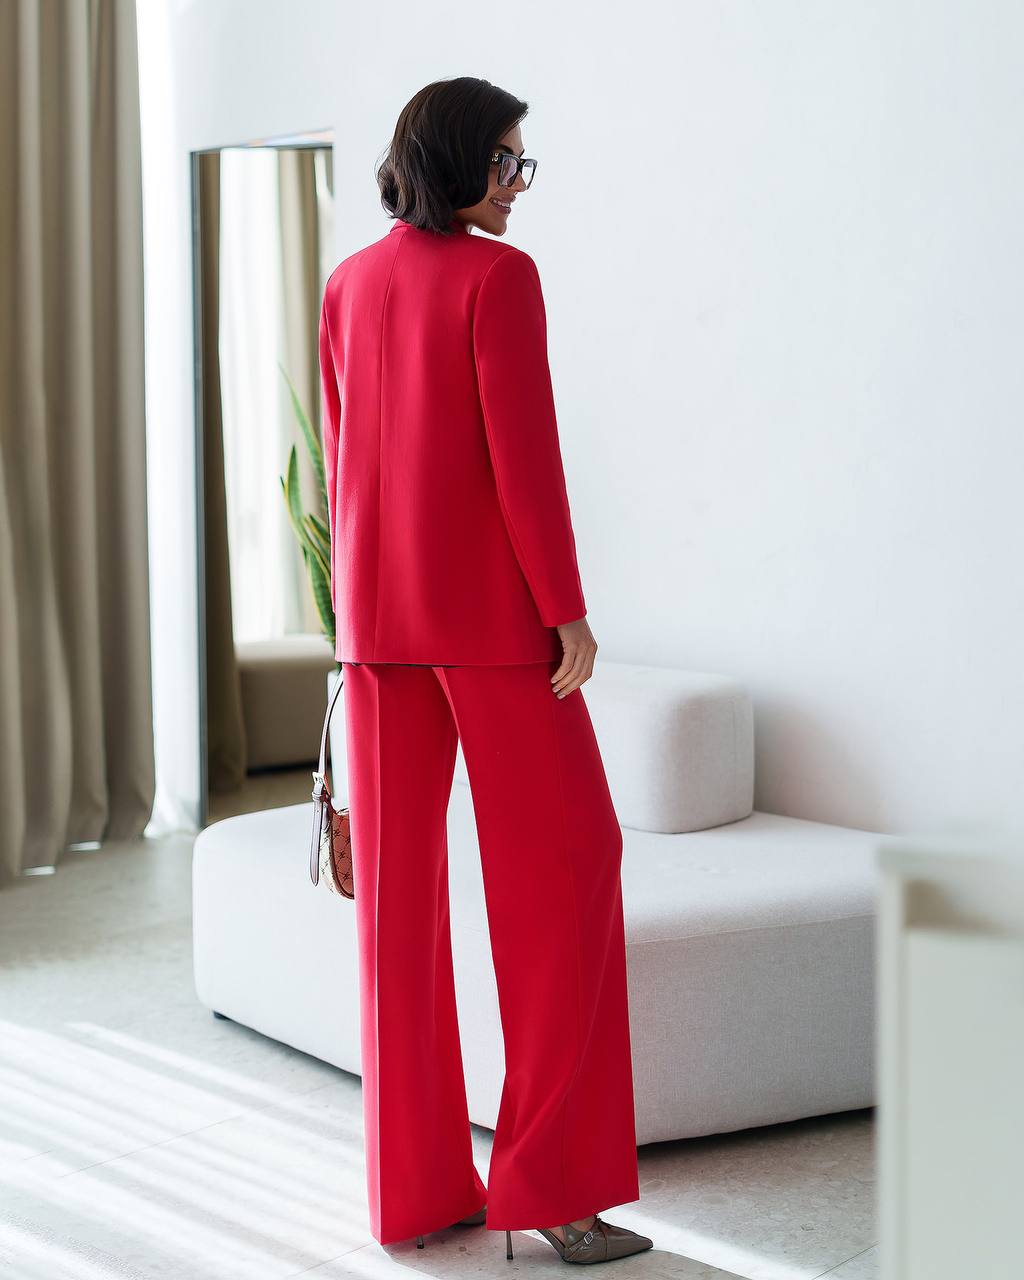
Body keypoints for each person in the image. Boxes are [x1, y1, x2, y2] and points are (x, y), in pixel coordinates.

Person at [318, 75, 653, 1266]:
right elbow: (525, 456)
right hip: (496, 633)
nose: (518, 184)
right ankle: (554, 1188)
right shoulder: (498, 279)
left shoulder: (346, 284)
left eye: (522, 164)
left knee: (396, 917)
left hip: (375, 634)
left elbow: (343, 465)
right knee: (568, 874)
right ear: (457, 160)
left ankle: (414, 1191)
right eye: (506, 161)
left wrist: (350, 622)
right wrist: (565, 610)